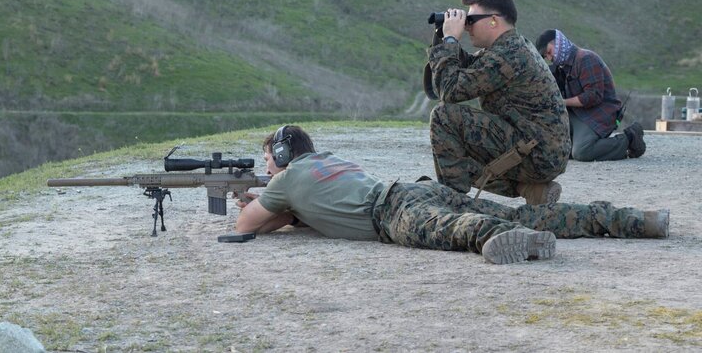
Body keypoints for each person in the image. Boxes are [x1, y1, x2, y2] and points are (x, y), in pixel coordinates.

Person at [235, 125, 669, 264]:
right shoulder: (326, 161)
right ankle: (631, 219)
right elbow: (301, 211)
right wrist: (291, 214)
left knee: (454, 230)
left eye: (270, 161)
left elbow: (246, 225)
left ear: (281, 155)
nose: (268, 168)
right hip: (411, 188)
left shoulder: (286, 179)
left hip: (390, 213)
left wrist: (271, 206)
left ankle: (505, 240)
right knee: (524, 212)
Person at [423, 0, 571, 205]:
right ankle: (530, 189)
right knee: (458, 141)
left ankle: (453, 202)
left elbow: (450, 91)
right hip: (539, 149)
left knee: (444, 117)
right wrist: (443, 35)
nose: (468, 26)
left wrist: (452, 41)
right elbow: (467, 67)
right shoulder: (509, 47)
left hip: (537, 155)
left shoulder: (507, 55)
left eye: (471, 19)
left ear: (493, 20)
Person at [534, 29, 646, 161]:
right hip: (578, 113)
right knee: (557, 149)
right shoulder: (561, 67)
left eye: (549, 52)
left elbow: (593, 96)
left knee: (582, 152)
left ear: (558, 43)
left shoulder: (586, 59)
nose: (549, 58)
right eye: (546, 57)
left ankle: (629, 139)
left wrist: (562, 102)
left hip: (597, 114)